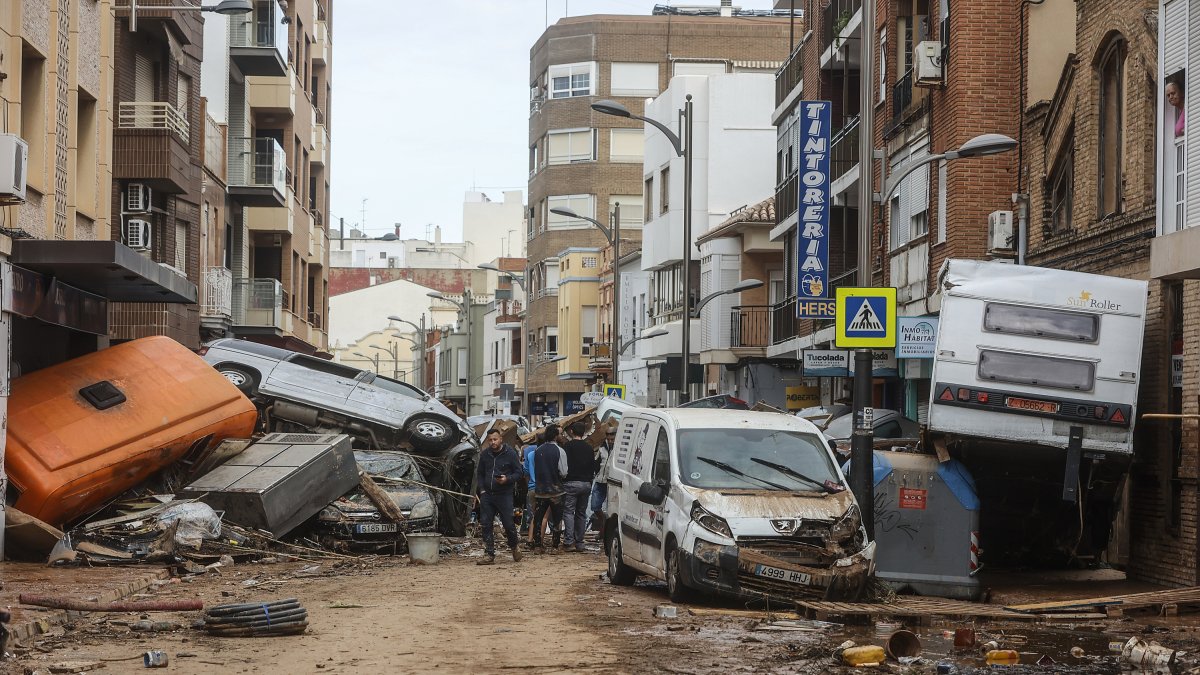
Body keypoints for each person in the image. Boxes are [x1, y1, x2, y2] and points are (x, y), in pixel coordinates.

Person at [474, 428, 524, 565]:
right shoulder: (485, 455)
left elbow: (519, 473)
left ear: (501, 439)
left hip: (504, 495)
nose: (492, 442)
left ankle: (514, 547)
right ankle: (489, 554)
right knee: (485, 524)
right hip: (488, 495)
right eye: (490, 440)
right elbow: (480, 473)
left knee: (508, 524)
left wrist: (507, 479)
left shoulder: (510, 454)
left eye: (495, 439)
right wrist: (482, 490)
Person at [531, 424, 567, 553]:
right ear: (556, 436)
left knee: (538, 518)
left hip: (540, 490)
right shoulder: (559, 451)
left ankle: (537, 546)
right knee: (557, 519)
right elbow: (563, 472)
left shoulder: (537, 450)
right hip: (556, 491)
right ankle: (555, 546)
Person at [561, 421, 596, 552]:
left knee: (569, 512)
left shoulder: (567, 447)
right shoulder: (589, 448)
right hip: (586, 484)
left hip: (570, 483)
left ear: (571, 432)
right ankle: (580, 542)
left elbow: (563, 466)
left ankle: (569, 541)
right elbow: (593, 466)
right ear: (584, 433)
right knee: (581, 513)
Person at [588, 425, 615, 533]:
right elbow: (596, 461)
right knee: (594, 506)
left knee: (611, 509)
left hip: (612, 482)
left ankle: (604, 532)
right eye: (608, 438)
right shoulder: (602, 447)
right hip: (600, 481)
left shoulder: (620, 449)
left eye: (612, 438)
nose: (610, 440)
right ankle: (603, 521)